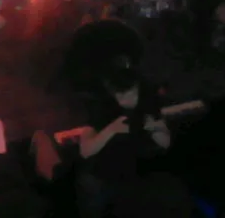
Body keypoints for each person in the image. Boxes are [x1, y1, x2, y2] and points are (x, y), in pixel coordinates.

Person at [77, 65, 180, 216]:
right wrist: (111, 129)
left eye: (132, 94)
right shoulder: (102, 111)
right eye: (121, 96)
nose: (128, 101)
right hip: (101, 178)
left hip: (134, 178)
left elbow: (165, 142)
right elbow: (85, 151)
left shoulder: (147, 105)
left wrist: (155, 127)